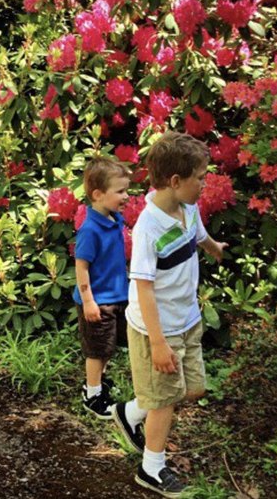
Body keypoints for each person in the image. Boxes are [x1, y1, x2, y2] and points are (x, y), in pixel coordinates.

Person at [112, 131, 228, 498]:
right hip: (155, 330)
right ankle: (152, 468)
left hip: (187, 318)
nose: (205, 184)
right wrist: (159, 344)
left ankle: (130, 412)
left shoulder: (187, 207)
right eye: (201, 178)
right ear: (176, 182)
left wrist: (213, 247)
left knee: (193, 389)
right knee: (163, 401)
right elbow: (144, 287)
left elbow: (197, 233)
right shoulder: (148, 227)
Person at [73, 156, 132, 419]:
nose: (126, 196)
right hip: (98, 301)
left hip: (117, 296)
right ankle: (93, 396)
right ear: (98, 194)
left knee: (108, 347)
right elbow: (81, 266)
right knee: (97, 351)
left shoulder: (113, 219)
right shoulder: (90, 230)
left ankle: (97, 382)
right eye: (120, 191)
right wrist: (88, 301)